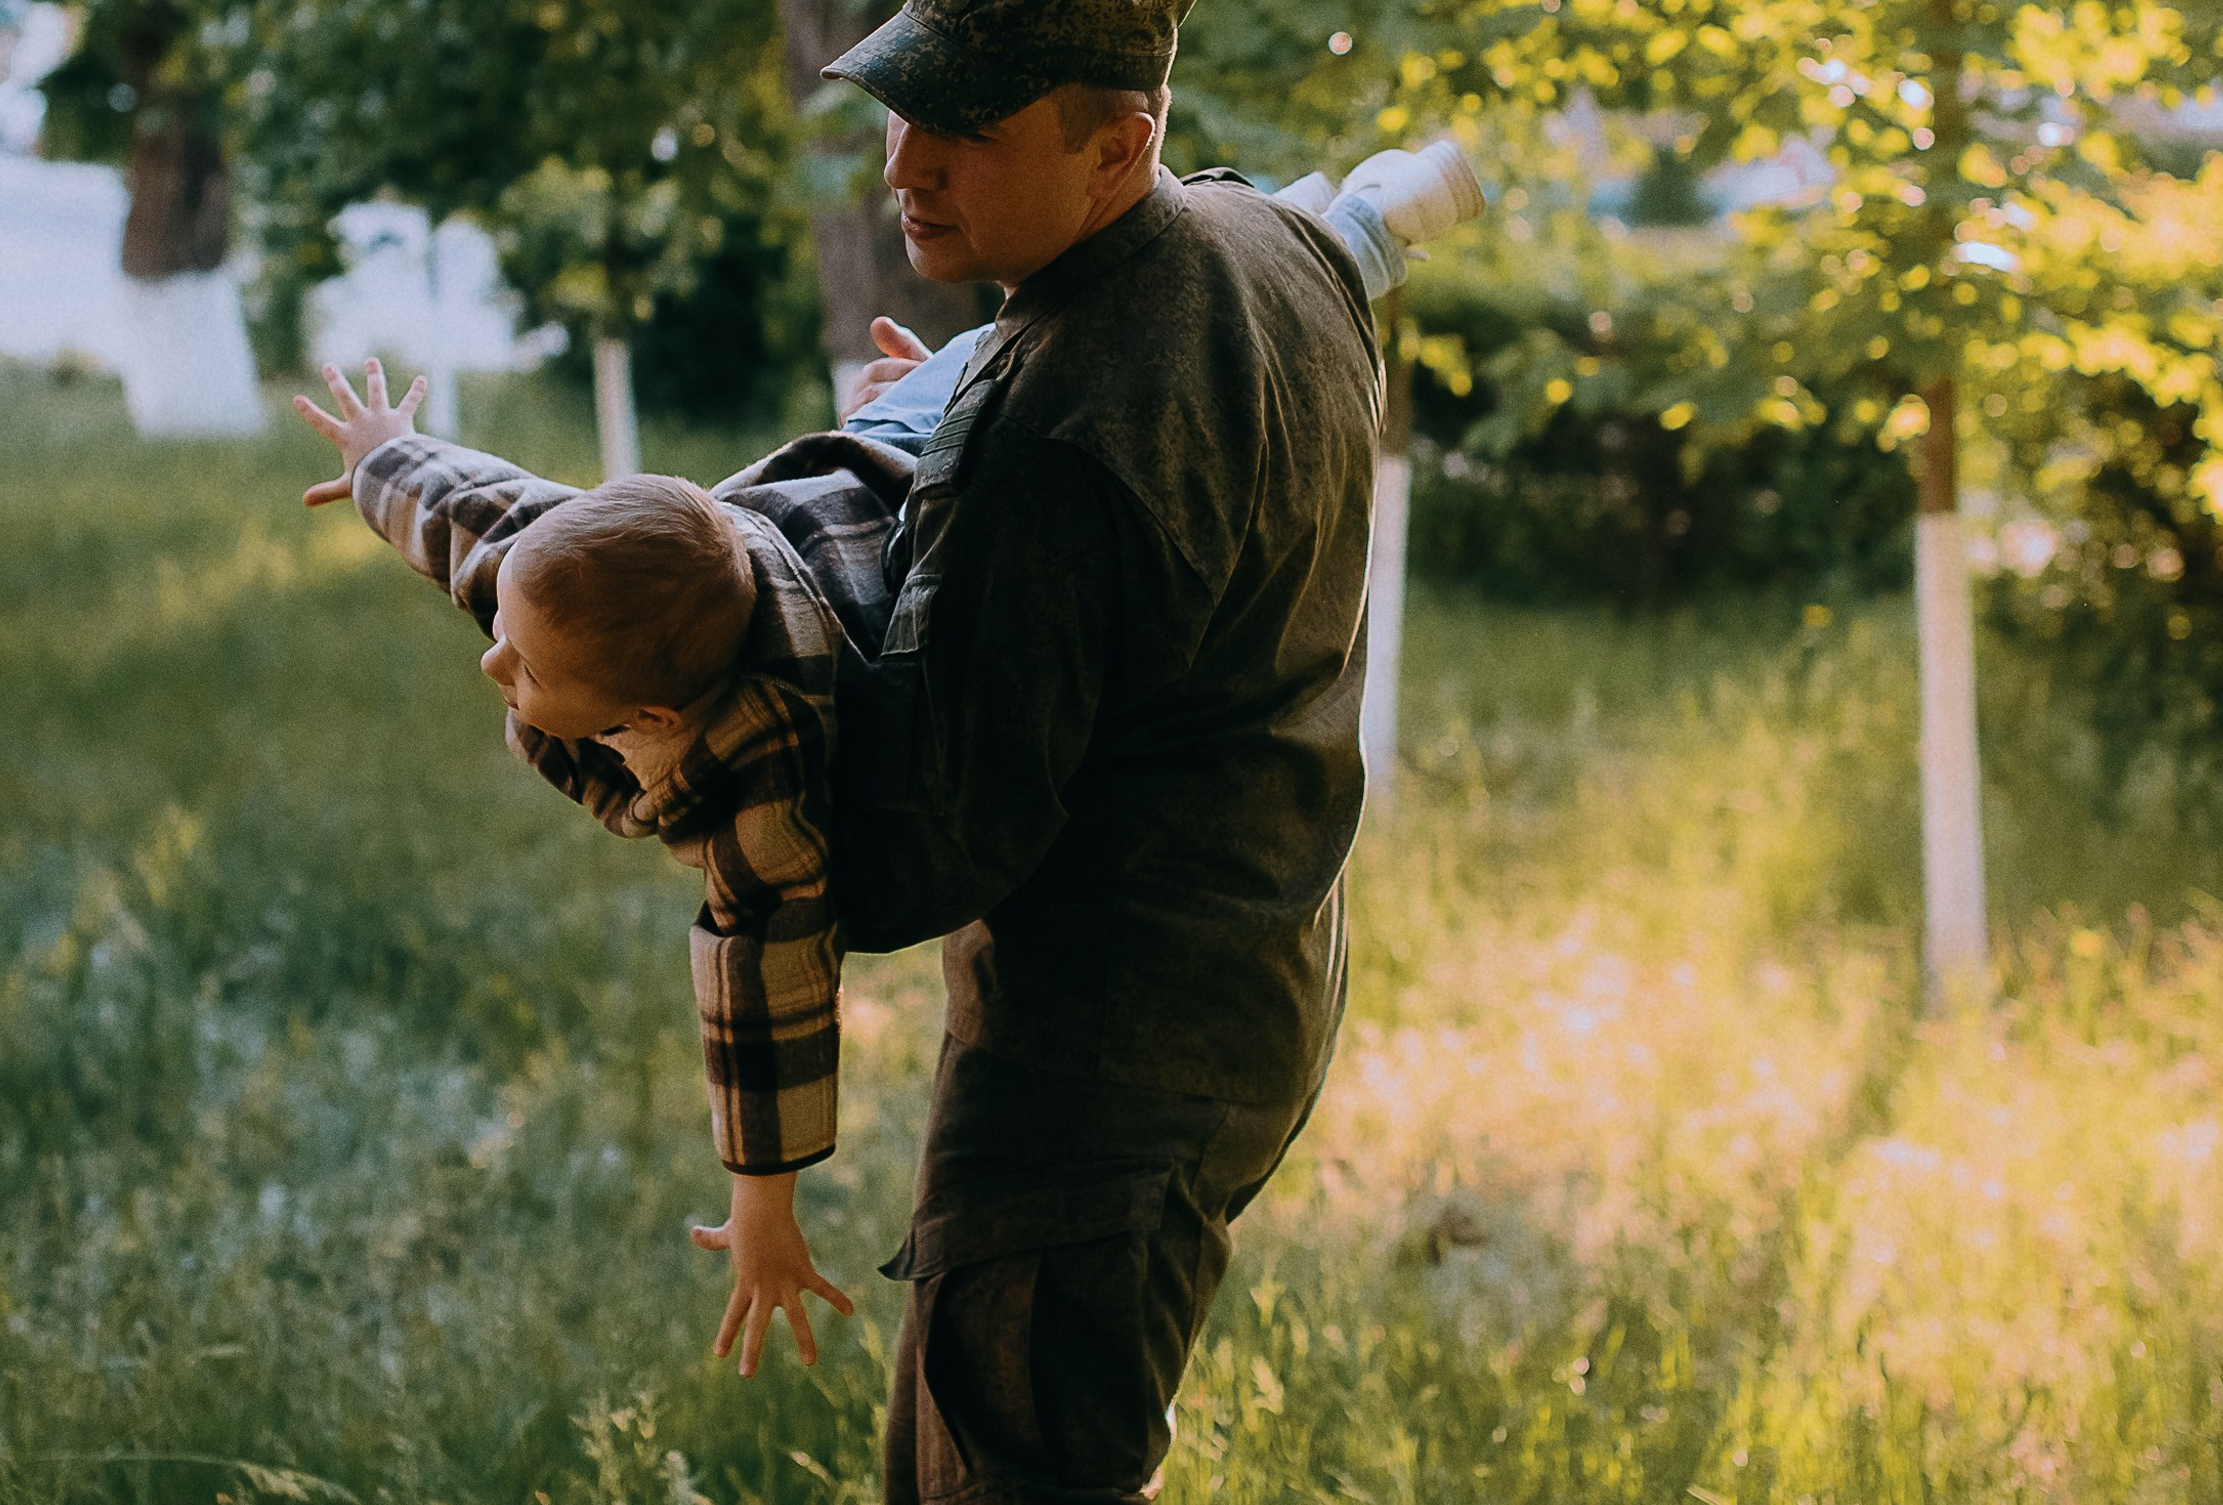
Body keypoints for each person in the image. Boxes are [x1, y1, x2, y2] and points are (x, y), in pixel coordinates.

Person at [291, 107, 1476, 1401]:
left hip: (932, 470)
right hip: (886, 454)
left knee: (1064, 357)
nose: (494, 669)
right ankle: (1293, 226)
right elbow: (481, 520)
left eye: (527, 669)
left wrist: (765, 1208)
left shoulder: (761, 785)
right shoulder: (571, 585)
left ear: (654, 701)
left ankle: (1361, 216)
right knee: (955, 383)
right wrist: (376, 459)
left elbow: (767, 985)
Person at [815, 0, 1390, 1505]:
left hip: (1101, 1062)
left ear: (1119, 144)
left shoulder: (1055, 445)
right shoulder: (1261, 247)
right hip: (1245, 988)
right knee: (956, 1499)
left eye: (967, 131)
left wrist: (654, 730)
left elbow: (921, 854)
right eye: (902, 105)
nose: (908, 162)